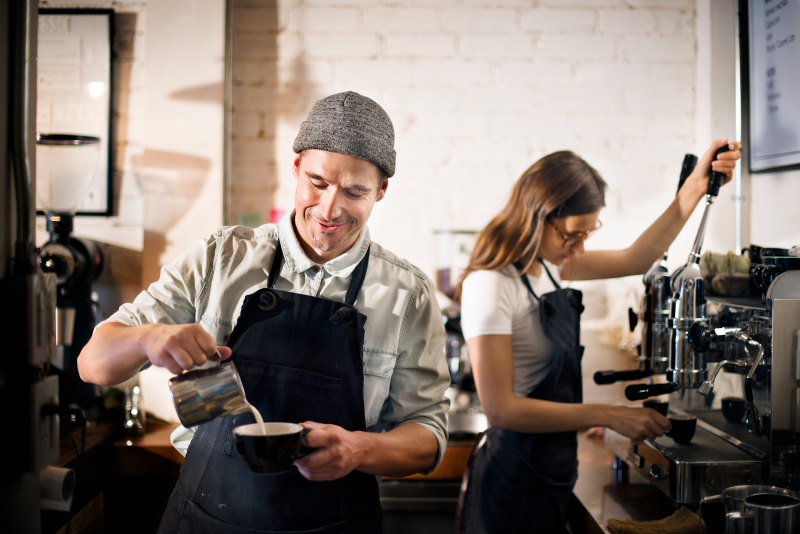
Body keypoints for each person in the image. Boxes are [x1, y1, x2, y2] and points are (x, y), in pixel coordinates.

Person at [78, 92, 450, 533]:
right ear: (295, 168)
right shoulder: (219, 259)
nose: (329, 209)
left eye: (354, 192)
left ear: (381, 191)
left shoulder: (408, 294)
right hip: (205, 519)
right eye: (317, 182)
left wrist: (359, 449)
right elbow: (93, 364)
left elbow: (427, 434)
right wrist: (147, 338)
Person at [456, 140, 742, 534]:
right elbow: (502, 409)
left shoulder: (550, 266)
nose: (579, 247)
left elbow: (636, 258)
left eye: (587, 233)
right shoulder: (491, 284)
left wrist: (695, 186)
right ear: (537, 215)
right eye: (571, 235)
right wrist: (609, 415)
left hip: (553, 473)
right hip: (510, 480)